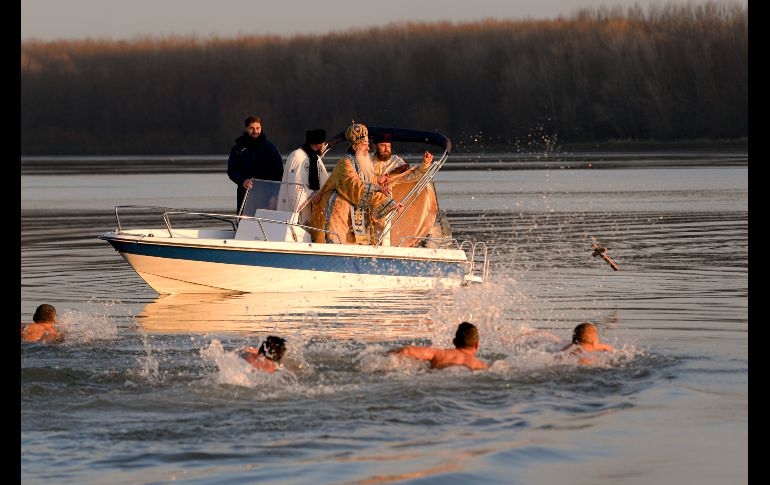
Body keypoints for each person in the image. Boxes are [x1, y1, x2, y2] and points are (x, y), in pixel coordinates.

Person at [309, 122, 401, 244]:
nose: (368, 148)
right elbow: (355, 186)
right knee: (336, 243)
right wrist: (379, 190)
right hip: (334, 213)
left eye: (368, 145)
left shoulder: (360, 163)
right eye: (364, 145)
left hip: (348, 215)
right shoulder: (345, 163)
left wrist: (391, 203)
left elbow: (368, 183)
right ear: (354, 147)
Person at [370, 133, 434, 246]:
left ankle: (381, 254)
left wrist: (425, 164)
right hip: (367, 200)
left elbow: (411, 175)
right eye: (382, 146)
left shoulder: (396, 162)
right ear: (375, 147)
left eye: (388, 146)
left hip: (385, 203)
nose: (386, 149)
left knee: (382, 235)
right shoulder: (367, 160)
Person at [227, 115, 284, 214]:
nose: (255, 131)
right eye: (251, 128)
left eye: (258, 128)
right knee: (243, 223)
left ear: (261, 128)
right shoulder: (237, 149)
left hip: (267, 195)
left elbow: (279, 172)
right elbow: (232, 171)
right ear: (246, 129)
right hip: (245, 194)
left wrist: (276, 195)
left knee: (266, 222)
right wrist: (242, 180)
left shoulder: (270, 148)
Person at [276, 128, 330, 226]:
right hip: (298, 209)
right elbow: (294, 185)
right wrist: (312, 195)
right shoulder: (297, 156)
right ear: (318, 144)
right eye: (323, 143)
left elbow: (324, 181)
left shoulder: (315, 158)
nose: (324, 147)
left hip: (313, 207)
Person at [389, 322, 488, 371]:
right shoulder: (482, 366)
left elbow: (407, 351)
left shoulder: (440, 354)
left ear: (454, 341)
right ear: (476, 345)